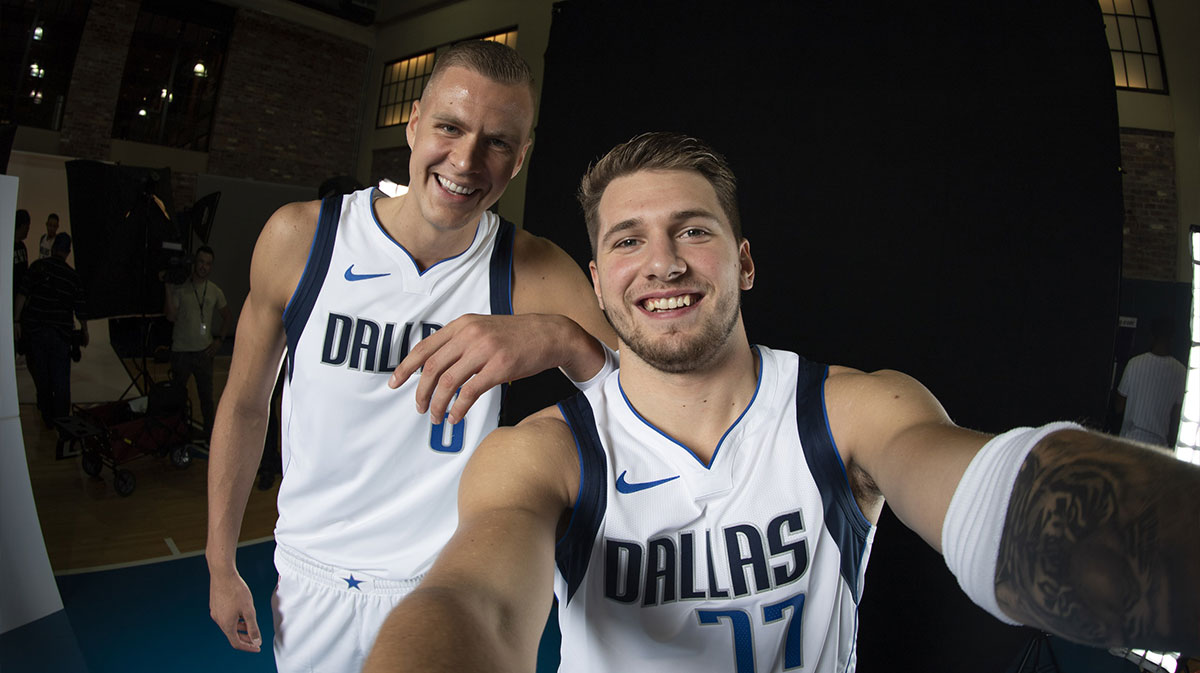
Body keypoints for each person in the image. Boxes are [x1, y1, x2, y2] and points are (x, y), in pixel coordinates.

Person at [363, 132, 1200, 672]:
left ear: (746, 262)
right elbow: (469, 602)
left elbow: (995, 495)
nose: (663, 262)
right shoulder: (545, 452)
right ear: (599, 285)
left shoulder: (849, 410)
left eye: (693, 230)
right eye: (627, 241)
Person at [205, 40, 617, 673]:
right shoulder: (302, 238)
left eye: (498, 143)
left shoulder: (529, 269)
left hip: (450, 581)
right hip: (312, 576)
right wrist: (220, 559)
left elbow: (656, 404)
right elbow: (243, 405)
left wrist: (561, 338)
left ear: (521, 158)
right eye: (450, 127)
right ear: (414, 121)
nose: (467, 160)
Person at [15, 232, 88, 429]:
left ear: (54, 247)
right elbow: (80, 307)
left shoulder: (37, 267)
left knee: (42, 376)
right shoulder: (72, 277)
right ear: (68, 252)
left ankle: (47, 416)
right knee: (61, 379)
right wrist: (85, 330)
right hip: (60, 334)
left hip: (36, 331)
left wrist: (16, 322)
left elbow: (22, 294)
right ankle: (62, 421)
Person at [164, 245, 230, 442]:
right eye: (201, 262)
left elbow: (227, 317)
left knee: (206, 399)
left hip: (204, 353)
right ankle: (178, 434)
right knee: (177, 398)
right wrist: (167, 288)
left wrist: (220, 340)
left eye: (208, 264)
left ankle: (211, 437)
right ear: (195, 263)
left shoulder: (214, 291)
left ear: (211, 267)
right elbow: (170, 316)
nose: (204, 267)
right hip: (181, 352)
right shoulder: (181, 289)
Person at [1115, 316, 1186, 448]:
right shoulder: (1181, 372)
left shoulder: (1134, 364)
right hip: (1158, 448)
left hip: (1130, 441)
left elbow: (1119, 406)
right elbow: (1177, 418)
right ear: (1172, 336)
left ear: (1152, 334)